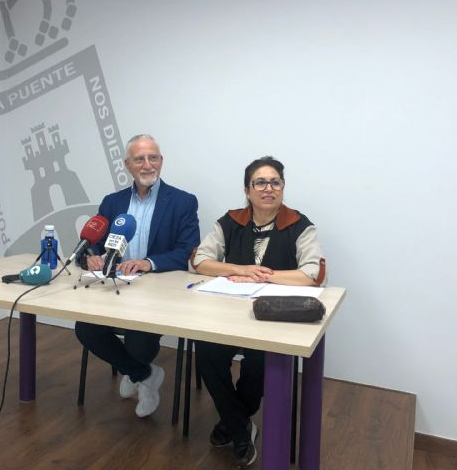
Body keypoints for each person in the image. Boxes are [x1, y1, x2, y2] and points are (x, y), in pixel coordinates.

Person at [190, 156, 326, 468]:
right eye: (260, 182)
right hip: (228, 315)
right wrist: (240, 269)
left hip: (273, 319)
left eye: (275, 182)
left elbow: (312, 274)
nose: (268, 188)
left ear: (283, 187)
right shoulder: (230, 221)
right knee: (207, 351)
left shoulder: (300, 225)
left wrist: (264, 276)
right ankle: (240, 425)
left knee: (261, 360)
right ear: (247, 190)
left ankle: (233, 422)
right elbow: (200, 261)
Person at [75, 134, 200, 418]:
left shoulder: (182, 201)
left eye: (153, 158)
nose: (147, 164)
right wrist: (91, 256)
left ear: (161, 161)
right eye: (140, 159)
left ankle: (136, 370)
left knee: (139, 343)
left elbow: (188, 251)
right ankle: (144, 375)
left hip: (158, 293)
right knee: (85, 329)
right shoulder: (112, 202)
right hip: (115, 288)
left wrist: (148, 263)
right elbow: (94, 242)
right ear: (127, 165)